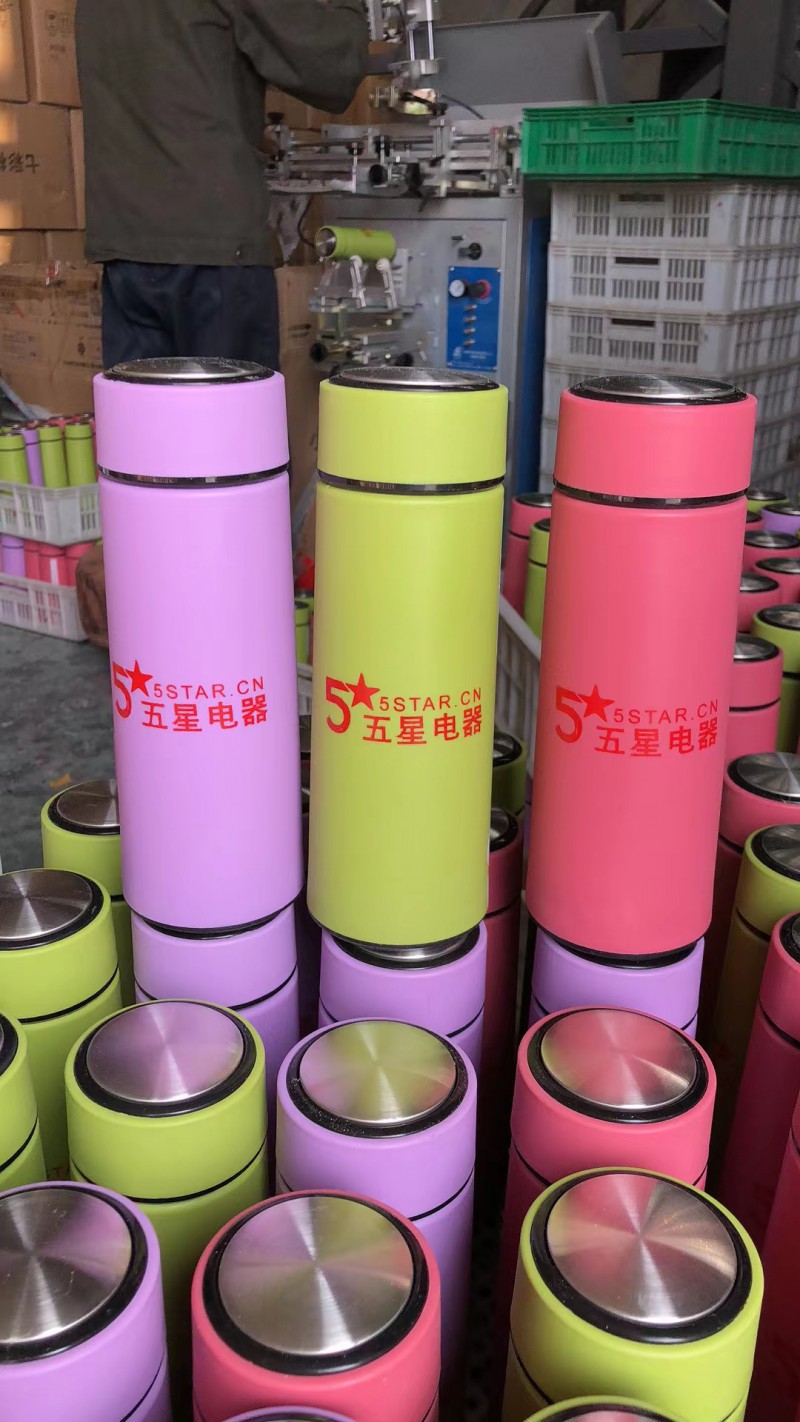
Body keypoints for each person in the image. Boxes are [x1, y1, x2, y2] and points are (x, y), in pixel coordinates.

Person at [76, 0, 369, 370]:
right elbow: (333, 64)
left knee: (143, 405)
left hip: (126, 248)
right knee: (233, 406)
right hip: (213, 254)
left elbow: (169, 76)